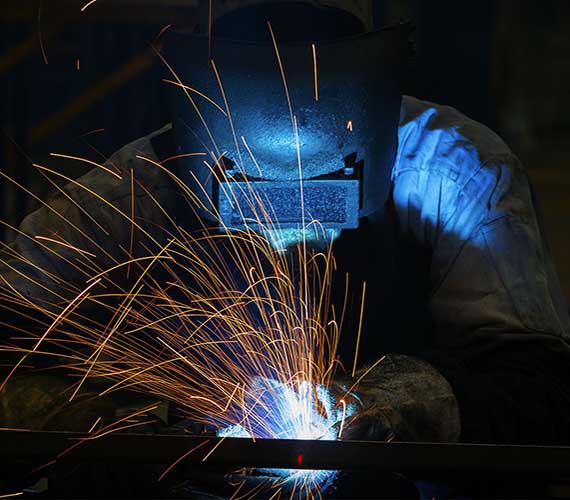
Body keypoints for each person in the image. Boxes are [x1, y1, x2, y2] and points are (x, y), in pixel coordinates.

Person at [1, 0, 570, 495]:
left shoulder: (453, 168)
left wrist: (400, 406)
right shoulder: (141, 185)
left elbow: (540, 391)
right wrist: (148, 428)